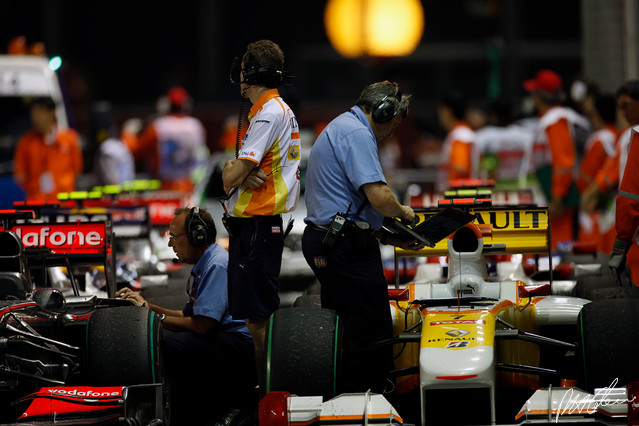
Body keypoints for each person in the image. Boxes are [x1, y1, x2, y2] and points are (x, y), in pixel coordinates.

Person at [302, 80, 414, 393]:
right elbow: (379, 196)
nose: (391, 131)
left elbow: (356, 209)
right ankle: (371, 396)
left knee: (346, 325)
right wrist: (404, 212)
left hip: (334, 240)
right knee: (370, 326)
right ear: (383, 111)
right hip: (343, 245)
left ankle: (346, 395)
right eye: (392, 123)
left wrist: (393, 239)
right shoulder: (357, 133)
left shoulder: (344, 126)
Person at [116, 207, 255, 425]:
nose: (171, 244)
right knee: (173, 341)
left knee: (174, 346)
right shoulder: (206, 263)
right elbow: (185, 315)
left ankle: (197, 416)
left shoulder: (217, 265)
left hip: (239, 348)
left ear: (197, 237)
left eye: (174, 237)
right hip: (224, 339)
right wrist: (145, 306)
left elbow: (201, 326)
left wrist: (152, 317)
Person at [221, 40, 301, 385]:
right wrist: (237, 168)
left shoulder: (268, 113)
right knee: (257, 320)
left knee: (258, 323)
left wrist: (231, 169)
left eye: (243, 70)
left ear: (251, 74)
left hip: (256, 226)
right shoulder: (276, 110)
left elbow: (229, 179)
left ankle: (269, 396)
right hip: (260, 226)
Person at [523, 69, 584, 249]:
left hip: (557, 202)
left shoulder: (555, 120)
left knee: (558, 251)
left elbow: (563, 162)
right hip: (552, 197)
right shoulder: (552, 119)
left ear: (539, 96)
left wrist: (558, 197)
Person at [128, 86, 208, 192]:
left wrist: (128, 133)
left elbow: (136, 151)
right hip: (189, 187)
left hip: (164, 187)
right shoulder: (196, 126)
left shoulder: (159, 126)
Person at [13, 97, 83, 200]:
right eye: (33, 113)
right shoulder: (25, 142)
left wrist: (64, 184)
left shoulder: (69, 138)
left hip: (65, 201)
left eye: (40, 112)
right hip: (37, 202)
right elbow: (20, 175)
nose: (35, 117)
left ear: (51, 112)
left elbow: (77, 169)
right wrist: (34, 187)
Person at [604, 81, 639, 283]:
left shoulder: (634, 136)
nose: (623, 112)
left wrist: (621, 245)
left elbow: (631, 196)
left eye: (627, 105)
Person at [576, 94, 619, 250]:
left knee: (597, 253)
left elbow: (585, 179)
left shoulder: (599, 140)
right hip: (615, 204)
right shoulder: (619, 136)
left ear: (597, 114)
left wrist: (586, 195)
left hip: (598, 209)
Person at [436, 91, 478, 191]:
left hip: (458, 197)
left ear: (447, 111)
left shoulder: (460, 135)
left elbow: (460, 168)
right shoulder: (462, 133)